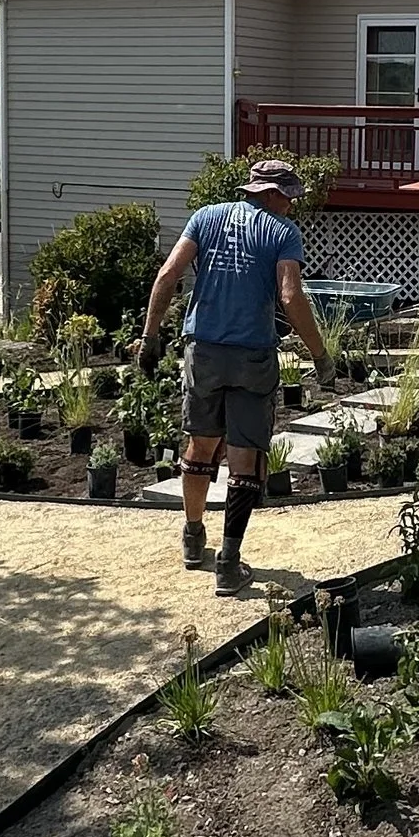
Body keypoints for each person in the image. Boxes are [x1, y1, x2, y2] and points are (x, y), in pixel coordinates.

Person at [137, 158, 337, 593]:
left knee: (201, 444)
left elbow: (169, 273)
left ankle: (193, 536)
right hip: (252, 355)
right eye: (288, 197)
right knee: (245, 458)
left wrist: (150, 337)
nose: (291, 206)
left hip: (203, 350)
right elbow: (289, 295)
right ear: (271, 194)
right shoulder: (283, 233)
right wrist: (320, 354)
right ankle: (229, 561)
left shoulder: (205, 218)